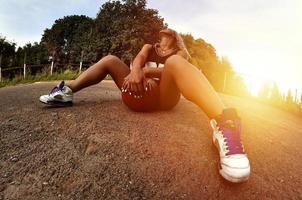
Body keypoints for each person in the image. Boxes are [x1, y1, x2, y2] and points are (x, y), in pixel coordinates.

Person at [39, 28, 250, 183]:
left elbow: (171, 69)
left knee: (175, 64)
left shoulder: (180, 53)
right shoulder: (150, 47)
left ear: (175, 37)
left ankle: (226, 123)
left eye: (170, 31)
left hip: (164, 97)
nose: (165, 30)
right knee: (111, 59)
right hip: (138, 95)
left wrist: (147, 72)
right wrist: (136, 70)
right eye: (163, 31)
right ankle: (67, 90)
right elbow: (139, 58)